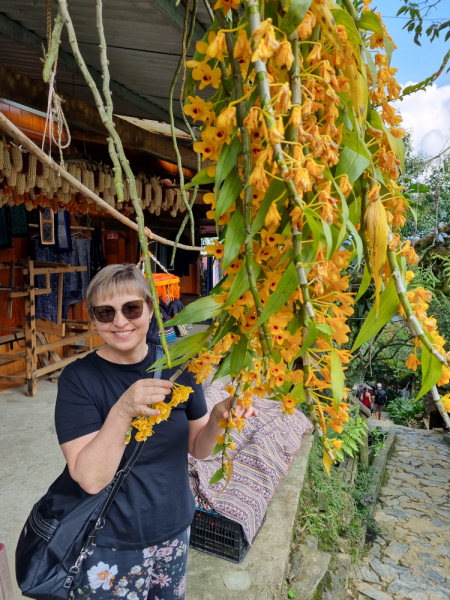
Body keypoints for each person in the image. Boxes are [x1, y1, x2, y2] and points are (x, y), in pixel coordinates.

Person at [54, 264, 257, 600]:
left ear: (151, 309)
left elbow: (199, 447)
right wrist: (122, 410)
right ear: (94, 319)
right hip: (109, 541)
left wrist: (219, 418)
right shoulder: (79, 380)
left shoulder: (180, 367)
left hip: (174, 530)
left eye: (131, 308)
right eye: (105, 313)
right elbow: (89, 478)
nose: (119, 321)